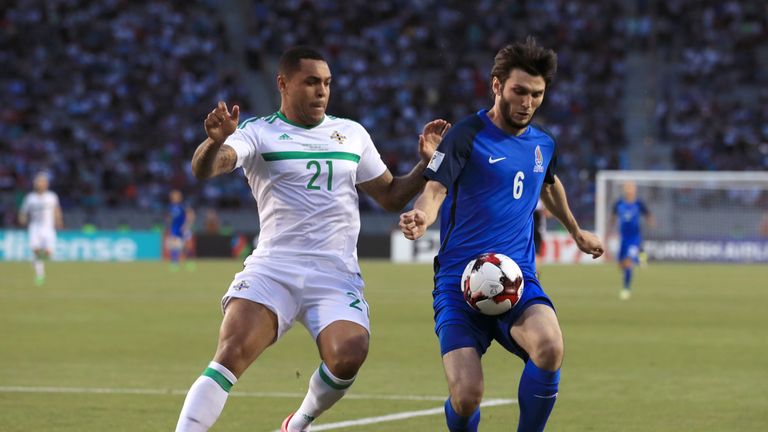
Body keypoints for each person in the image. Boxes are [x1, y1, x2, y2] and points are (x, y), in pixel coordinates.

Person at [174, 46, 449, 432]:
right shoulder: (258, 132)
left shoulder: (351, 134)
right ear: (283, 84)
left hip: (335, 273)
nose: (322, 91)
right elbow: (206, 169)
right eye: (311, 82)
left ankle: (298, 422)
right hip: (274, 269)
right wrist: (216, 142)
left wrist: (426, 163)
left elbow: (390, 196)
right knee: (230, 353)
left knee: (349, 354)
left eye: (327, 83)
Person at [399, 38, 604, 432]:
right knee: (466, 396)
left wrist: (576, 232)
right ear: (497, 86)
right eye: (519, 91)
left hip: (518, 279)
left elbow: (549, 184)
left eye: (537, 94)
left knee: (550, 346)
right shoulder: (465, 135)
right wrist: (422, 218)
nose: (528, 102)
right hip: (460, 284)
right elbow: (436, 189)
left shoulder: (543, 144)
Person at [609, 181, 654, 300]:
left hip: (634, 238)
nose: (629, 190)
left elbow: (647, 214)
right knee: (621, 265)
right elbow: (613, 217)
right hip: (623, 238)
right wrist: (609, 230)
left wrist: (651, 222)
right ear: (624, 189)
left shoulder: (639, 203)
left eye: (631, 187)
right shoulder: (619, 203)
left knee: (629, 263)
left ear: (634, 189)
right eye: (627, 187)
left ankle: (626, 289)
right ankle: (640, 256)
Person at [18, 173, 63, 286]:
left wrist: (59, 222)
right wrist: (22, 219)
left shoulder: (52, 196)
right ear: (35, 184)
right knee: (35, 251)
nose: (41, 184)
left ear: (46, 184)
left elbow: (57, 210)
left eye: (43, 182)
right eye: (39, 182)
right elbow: (23, 212)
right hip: (35, 228)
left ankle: (40, 260)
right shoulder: (30, 198)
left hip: (48, 228)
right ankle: (40, 275)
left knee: (49, 253)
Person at [167, 189, 196, 271]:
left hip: (184, 228)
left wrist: (188, 224)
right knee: (174, 246)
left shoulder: (183, 205)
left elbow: (190, 214)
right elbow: (170, 217)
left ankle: (189, 261)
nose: (174, 198)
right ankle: (175, 262)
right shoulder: (171, 206)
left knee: (186, 246)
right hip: (175, 228)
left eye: (176, 196)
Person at [533, 199, 551, 272]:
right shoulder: (540, 200)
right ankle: (535, 276)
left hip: (525, 229)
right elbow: (548, 214)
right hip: (537, 230)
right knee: (536, 255)